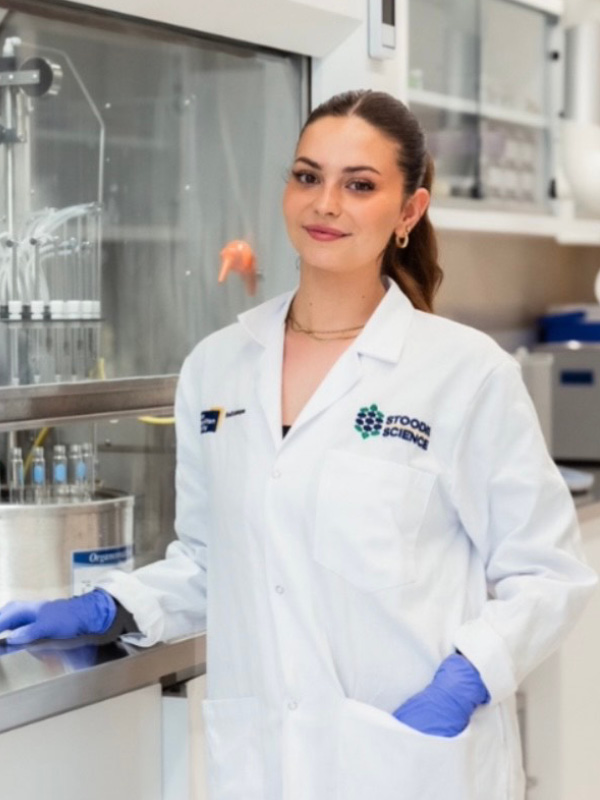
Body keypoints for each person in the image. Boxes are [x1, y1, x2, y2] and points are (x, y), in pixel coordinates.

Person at [0, 89, 597, 800]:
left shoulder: (463, 374)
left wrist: (462, 683)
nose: (325, 204)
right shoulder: (218, 366)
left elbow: (547, 574)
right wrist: (112, 608)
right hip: (263, 767)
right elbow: (211, 560)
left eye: (360, 185)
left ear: (409, 211)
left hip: (409, 761)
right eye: (308, 176)